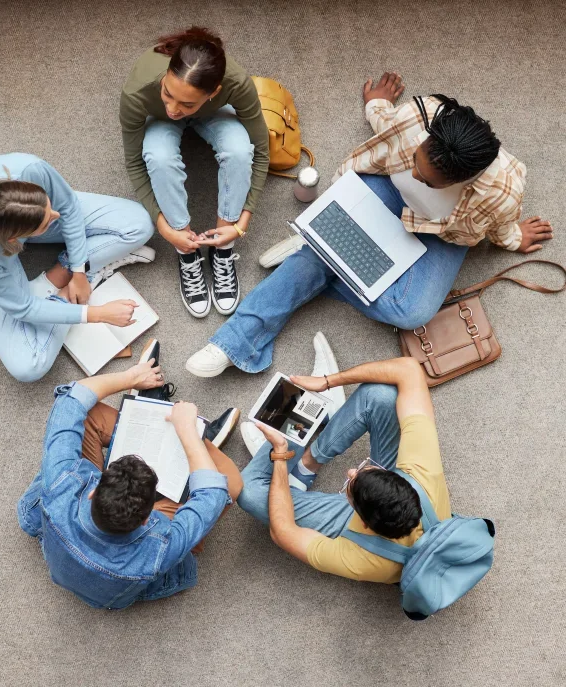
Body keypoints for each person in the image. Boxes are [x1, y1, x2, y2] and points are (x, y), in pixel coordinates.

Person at [187, 73, 551, 377]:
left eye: (427, 180)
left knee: (411, 312)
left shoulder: (502, 192)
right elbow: (387, 126)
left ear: (461, 180)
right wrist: (376, 104)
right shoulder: (419, 117)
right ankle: (235, 340)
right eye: (415, 161)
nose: (414, 174)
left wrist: (513, 237)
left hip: (442, 232)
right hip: (382, 191)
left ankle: (319, 251)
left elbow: (499, 224)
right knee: (331, 260)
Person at [17, 349, 243, 609]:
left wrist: (131, 377)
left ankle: (152, 417)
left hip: (58, 537)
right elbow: (215, 494)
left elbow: (72, 400)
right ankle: (192, 440)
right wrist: (188, 432)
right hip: (128, 584)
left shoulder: (62, 484)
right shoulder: (157, 550)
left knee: (88, 414)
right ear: (148, 518)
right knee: (230, 480)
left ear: (93, 491)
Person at [0, 153, 155, 382]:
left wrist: (79, 270)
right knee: (29, 366)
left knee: (140, 224)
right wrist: (97, 314)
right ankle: (64, 293)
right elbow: (24, 308)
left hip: (21, 223)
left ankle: (63, 273)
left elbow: (68, 207)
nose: (56, 215)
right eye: (47, 221)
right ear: (16, 238)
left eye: (48, 205)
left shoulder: (30, 169)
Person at [237, 356, 450, 585]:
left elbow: (282, 533)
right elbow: (408, 368)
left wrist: (280, 452)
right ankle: (305, 466)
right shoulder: (422, 469)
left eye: (350, 486)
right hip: (400, 506)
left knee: (249, 492)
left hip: (380, 543)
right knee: (381, 395)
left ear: (363, 523)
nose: (350, 471)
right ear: (400, 477)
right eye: (364, 469)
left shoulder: (363, 559)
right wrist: (328, 381)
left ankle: (292, 440)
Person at [121, 26, 270, 318]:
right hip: (158, 122)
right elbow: (134, 163)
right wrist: (165, 229)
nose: (173, 108)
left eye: (185, 103)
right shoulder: (137, 93)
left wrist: (240, 225)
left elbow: (261, 151)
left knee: (240, 152)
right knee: (158, 158)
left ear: (214, 92)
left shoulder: (236, 83)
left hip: (213, 113)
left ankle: (223, 244)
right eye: (168, 93)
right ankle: (185, 248)